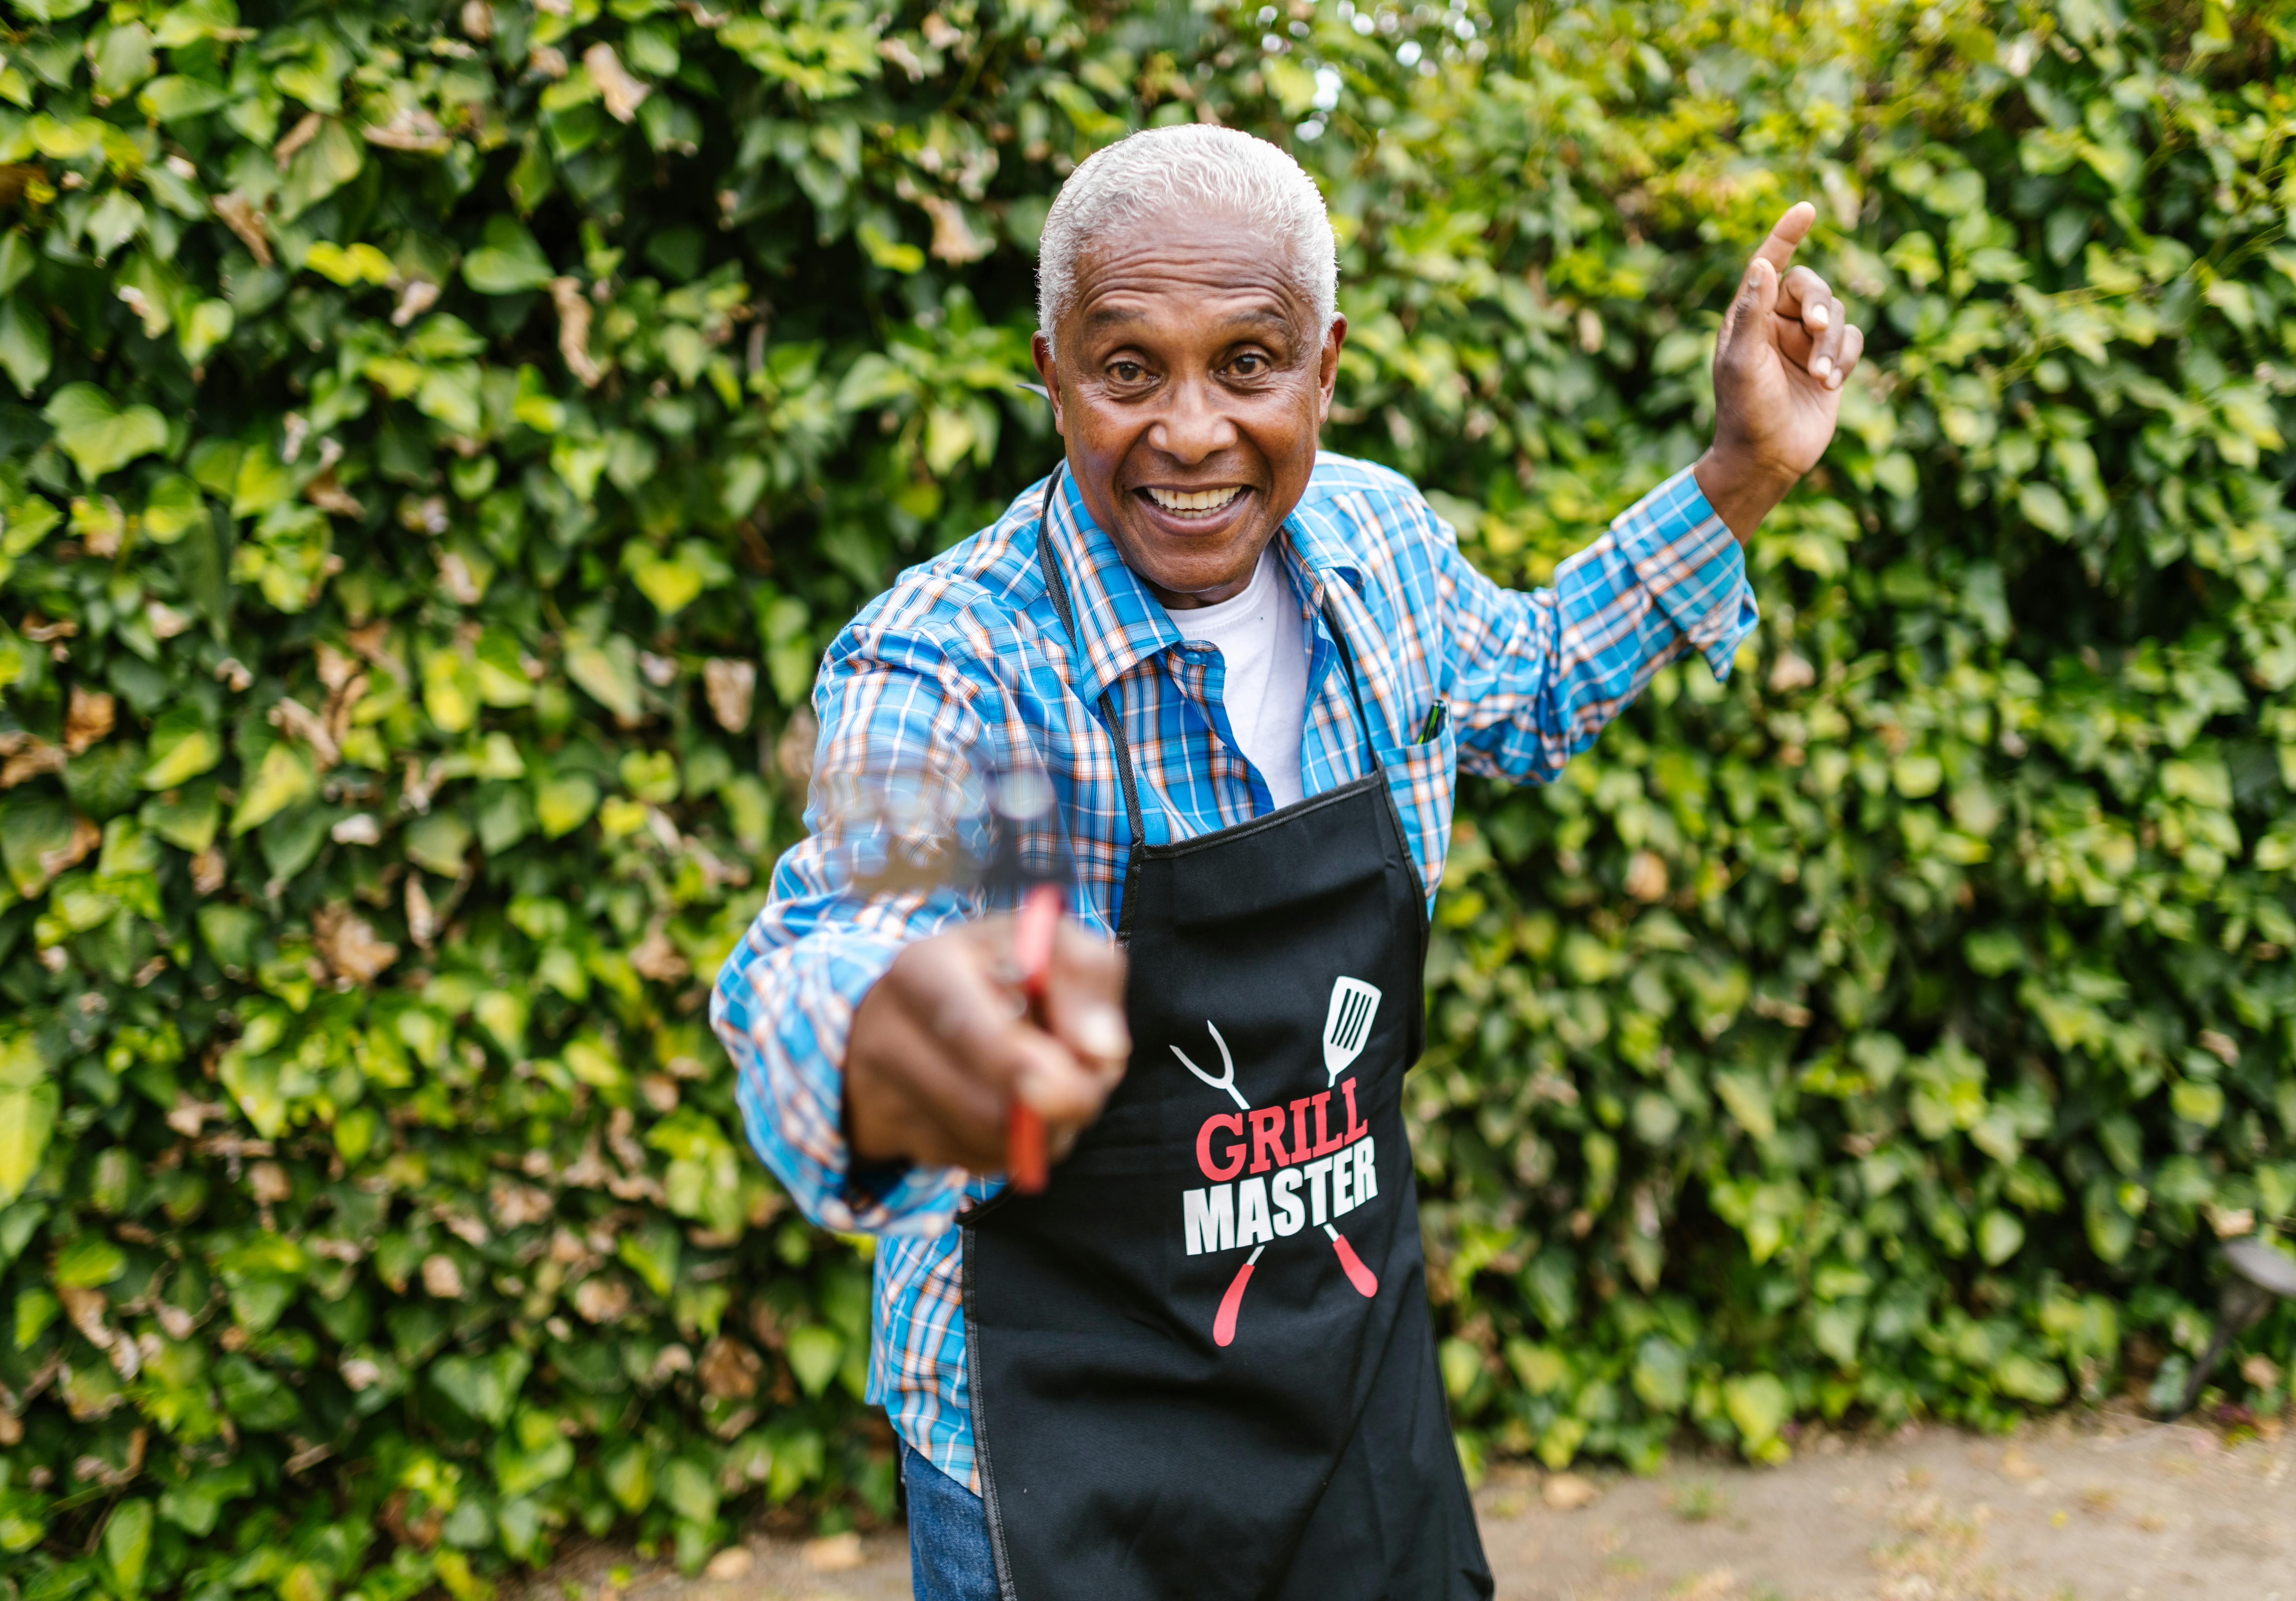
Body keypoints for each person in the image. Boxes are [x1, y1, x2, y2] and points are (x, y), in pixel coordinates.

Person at [713, 124, 1866, 1601]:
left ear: (1325, 365)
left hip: (1346, 1397)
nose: (1191, 431)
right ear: (1050, 369)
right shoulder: (961, 659)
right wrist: (892, 1037)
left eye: (1247, 363)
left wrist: (1744, 468)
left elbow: (1534, 676)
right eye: (1129, 368)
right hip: (1068, 1451)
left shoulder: (1378, 549)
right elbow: (829, 942)